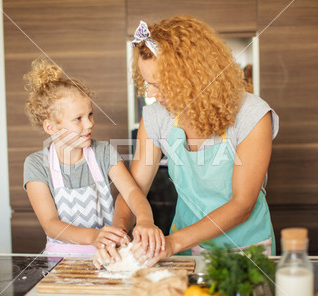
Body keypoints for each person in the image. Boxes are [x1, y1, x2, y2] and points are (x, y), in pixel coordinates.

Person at [94, 17, 279, 268]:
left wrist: (172, 243)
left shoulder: (251, 114)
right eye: (147, 83)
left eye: (158, 85)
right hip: (184, 248)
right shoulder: (156, 116)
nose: (150, 94)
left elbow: (241, 205)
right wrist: (118, 231)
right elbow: (133, 189)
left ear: (192, 79)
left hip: (244, 250)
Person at [23, 58, 164, 260]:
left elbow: (132, 191)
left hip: (110, 255)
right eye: (78, 119)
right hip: (61, 260)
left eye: (90, 115)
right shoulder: (36, 164)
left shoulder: (103, 152)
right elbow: (51, 224)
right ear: (50, 127)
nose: (89, 124)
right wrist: (94, 236)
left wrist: (145, 220)